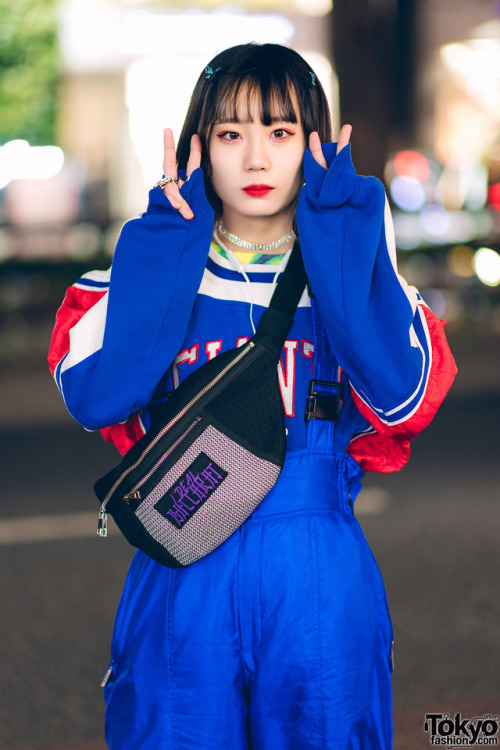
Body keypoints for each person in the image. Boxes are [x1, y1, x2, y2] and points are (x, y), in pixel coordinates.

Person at [48, 43, 457, 750]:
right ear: (199, 145)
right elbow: (98, 394)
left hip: (316, 571)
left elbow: (402, 395)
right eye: (233, 134)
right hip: (185, 564)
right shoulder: (156, 259)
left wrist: (344, 233)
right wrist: (164, 249)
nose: (258, 159)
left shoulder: (350, 259)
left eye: (281, 132)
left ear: (316, 144)